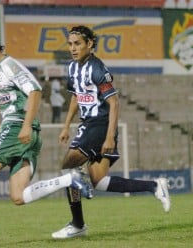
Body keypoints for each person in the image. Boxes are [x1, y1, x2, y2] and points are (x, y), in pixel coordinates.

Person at [0, 23, 92, 248]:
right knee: (18, 196)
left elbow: (34, 90)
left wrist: (24, 125)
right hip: (28, 134)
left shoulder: (9, 65)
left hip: (16, 127)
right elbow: (0, 91)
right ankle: (70, 179)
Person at [51, 25, 171, 239]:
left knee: (68, 165)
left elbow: (114, 103)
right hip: (88, 124)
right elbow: (76, 96)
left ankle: (77, 224)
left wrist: (108, 137)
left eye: (77, 43)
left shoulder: (97, 68)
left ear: (89, 44)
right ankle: (154, 186)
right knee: (99, 181)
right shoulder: (72, 68)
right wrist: (66, 125)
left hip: (99, 124)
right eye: (70, 44)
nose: (73, 48)